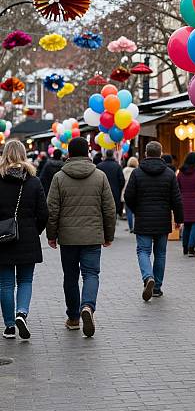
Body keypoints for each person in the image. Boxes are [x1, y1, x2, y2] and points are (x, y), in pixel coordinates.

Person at [46, 137, 116, 338]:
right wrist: (108, 235)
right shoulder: (100, 176)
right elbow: (109, 209)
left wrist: (51, 235)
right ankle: (87, 306)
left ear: (69, 153)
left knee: (70, 277)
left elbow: (52, 209)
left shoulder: (59, 177)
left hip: (68, 237)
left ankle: (74, 318)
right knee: (91, 274)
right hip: (93, 236)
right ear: (88, 153)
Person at [0, 140, 48, 340]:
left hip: (2, 238)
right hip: (27, 237)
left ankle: (10, 326)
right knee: (26, 280)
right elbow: (44, 213)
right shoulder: (34, 181)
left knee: (5, 284)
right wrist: (34, 231)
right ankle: (22, 313)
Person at [124, 141, 183, 301]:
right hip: (163, 220)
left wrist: (136, 209)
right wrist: (178, 219)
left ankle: (147, 276)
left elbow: (128, 196)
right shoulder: (169, 174)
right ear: (161, 153)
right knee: (160, 254)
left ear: (145, 154)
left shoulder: (137, 173)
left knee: (143, 251)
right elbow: (177, 200)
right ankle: (156, 287)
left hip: (143, 219)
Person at [97, 149, 125, 216]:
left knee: (103, 211)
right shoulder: (117, 166)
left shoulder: (99, 166)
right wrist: (118, 188)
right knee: (113, 212)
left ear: (106, 155)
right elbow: (122, 180)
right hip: (115, 192)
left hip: (102, 192)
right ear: (113, 155)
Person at [122, 157, 138, 233]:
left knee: (128, 211)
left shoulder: (124, 170)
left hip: (126, 193)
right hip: (135, 193)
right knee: (136, 211)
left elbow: (122, 181)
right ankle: (136, 226)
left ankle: (131, 227)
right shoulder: (137, 171)